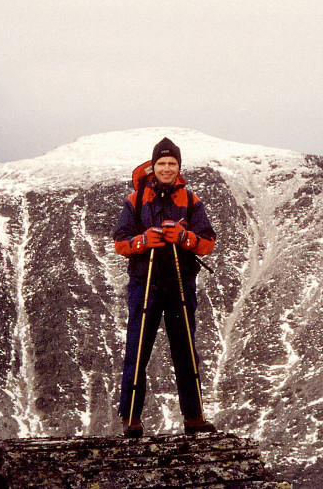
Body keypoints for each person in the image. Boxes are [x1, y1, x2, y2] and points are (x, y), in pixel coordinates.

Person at [113, 137, 218, 437]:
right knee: (138, 348)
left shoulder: (191, 199)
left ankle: (194, 417)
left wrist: (184, 237)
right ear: (153, 166)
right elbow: (120, 242)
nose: (167, 168)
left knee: (185, 348)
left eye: (172, 164)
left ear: (179, 167)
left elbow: (208, 242)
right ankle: (131, 419)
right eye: (162, 163)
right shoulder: (135, 201)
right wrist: (143, 241)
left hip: (180, 283)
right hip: (144, 283)